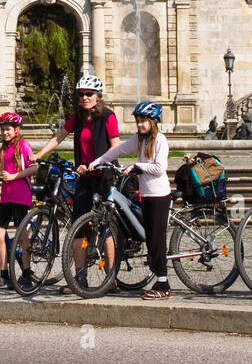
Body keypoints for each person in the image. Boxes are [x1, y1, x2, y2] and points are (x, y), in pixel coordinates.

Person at [33, 73, 120, 287]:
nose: (84, 98)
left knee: (105, 226)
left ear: (98, 95)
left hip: (103, 176)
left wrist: (98, 162)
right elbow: (59, 136)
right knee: (77, 228)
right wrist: (39, 155)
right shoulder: (77, 117)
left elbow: (116, 146)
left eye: (89, 94)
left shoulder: (108, 116)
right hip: (84, 178)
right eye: (81, 94)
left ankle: (111, 277)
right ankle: (79, 277)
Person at [83, 101, 172, 299]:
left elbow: (159, 168)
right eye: (138, 121)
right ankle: (159, 278)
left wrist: (137, 166)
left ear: (153, 121)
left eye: (144, 121)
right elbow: (119, 150)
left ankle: (164, 285)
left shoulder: (160, 140)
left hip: (159, 195)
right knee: (149, 239)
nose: (140, 124)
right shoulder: (139, 139)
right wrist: (98, 161)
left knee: (156, 241)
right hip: (147, 195)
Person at [0, 112, 37, 292]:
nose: (5, 133)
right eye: (3, 130)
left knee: (22, 237)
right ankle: (4, 275)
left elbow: (34, 167)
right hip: (6, 197)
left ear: (16, 130)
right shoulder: (4, 150)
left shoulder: (23, 146)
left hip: (21, 197)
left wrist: (14, 176)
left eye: (8, 130)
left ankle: (27, 274)